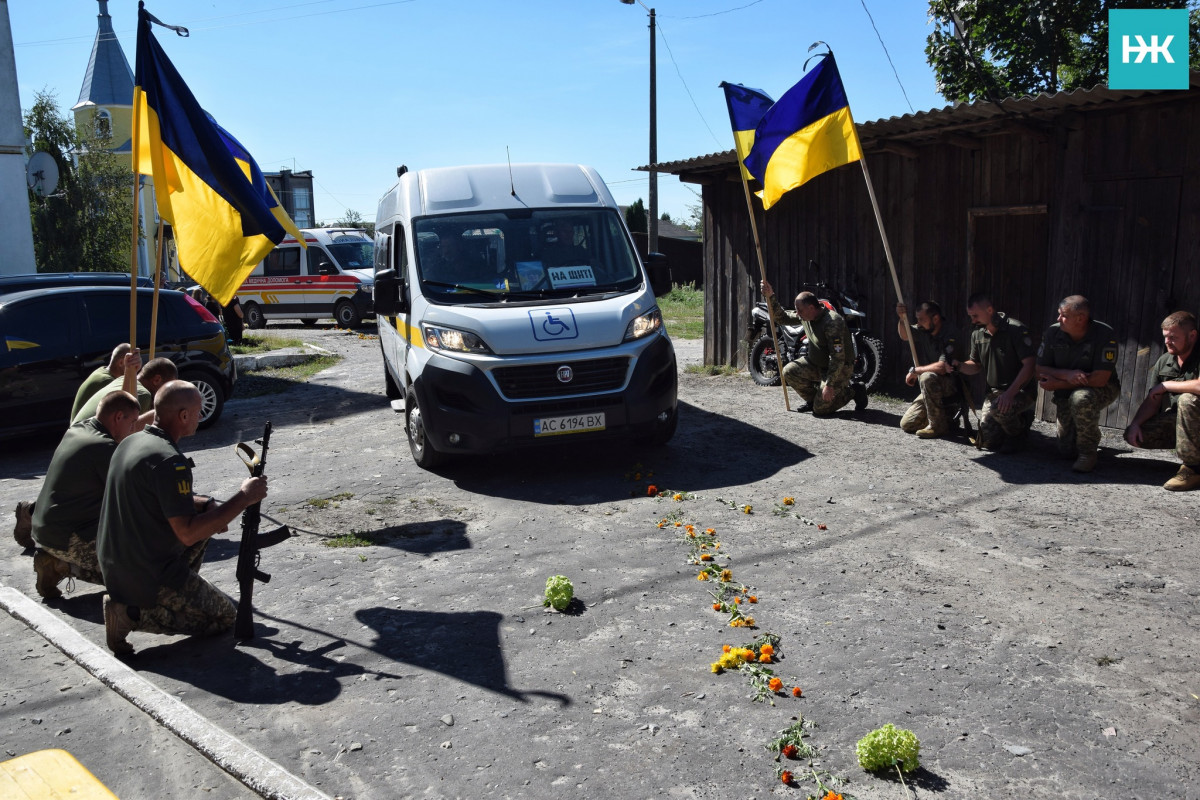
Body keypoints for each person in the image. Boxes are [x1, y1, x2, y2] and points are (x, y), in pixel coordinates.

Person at [96, 381, 268, 655]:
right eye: (198, 411)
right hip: (145, 573)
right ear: (183, 416)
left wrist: (206, 504)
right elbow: (187, 533)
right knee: (225, 617)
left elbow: (155, 497)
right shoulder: (170, 462)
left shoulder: (133, 440)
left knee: (204, 522)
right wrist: (244, 497)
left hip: (114, 563)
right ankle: (133, 615)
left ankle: (173, 594)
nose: (201, 417)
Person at [29, 391, 141, 599]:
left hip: (44, 529)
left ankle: (55, 558)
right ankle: (61, 565)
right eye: (132, 422)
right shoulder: (104, 447)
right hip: (67, 536)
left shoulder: (79, 428)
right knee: (139, 572)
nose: (133, 429)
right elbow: (134, 495)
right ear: (118, 417)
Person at [1035, 296, 1120, 473]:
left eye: (1063, 316)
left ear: (1080, 318)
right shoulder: (1053, 333)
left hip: (1100, 388)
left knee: (1081, 398)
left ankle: (1088, 452)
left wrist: (1058, 383)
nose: (1058, 319)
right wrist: (1067, 375)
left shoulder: (1104, 335)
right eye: (1059, 314)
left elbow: (1100, 379)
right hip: (1066, 391)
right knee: (1066, 450)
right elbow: (1039, 369)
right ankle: (1079, 438)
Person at [760, 278, 867, 415]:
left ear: (811, 308)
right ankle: (814, 400)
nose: (797, 314)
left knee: (821, 410)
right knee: (788, 371)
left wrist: (828, 384)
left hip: (839, 367)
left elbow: (838, 358)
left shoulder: (832, 322)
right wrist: (770, 296)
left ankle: (853, 391)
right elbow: (782, 318)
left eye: (800, 310)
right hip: (817, 363)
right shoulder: (805, 315)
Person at [1124, 311, 1200, 491]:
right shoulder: (1165, 360)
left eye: (1173, 337)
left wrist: (1167, 385)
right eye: (1165, 337)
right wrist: (1135, 424)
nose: (1167, 342)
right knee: (1137, 434)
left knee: (1188, 400)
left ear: (1192, 335)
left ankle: (1193, 469)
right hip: (1185, 422)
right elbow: (1153, 400)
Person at [957, 293, 1037, 451]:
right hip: (994, 393)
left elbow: (1029, 365)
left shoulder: (1015, 330)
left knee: (998, 409)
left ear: (989, 310)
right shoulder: (977, 334)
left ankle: (1019, 433)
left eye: (975, 316)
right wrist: (957, 366)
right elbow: (975, 365)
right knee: (988, 441)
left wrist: (1010, 394)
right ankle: (1008, 426)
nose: (972, 320)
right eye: (970, 316)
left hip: (1020, 391)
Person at [896, 300, 963, 439]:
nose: (918, 323)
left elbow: (943, 367)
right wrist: (902, 318)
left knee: (926, 377)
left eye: (921, 319)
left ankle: (937, 426)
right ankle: (947, 419)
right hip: (932, 386)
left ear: (936, 318)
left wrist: (916, 371)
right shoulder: (924, 329)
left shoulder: (951, 334)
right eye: (917, 320)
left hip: (951, 384)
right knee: (907, 424)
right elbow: (905, 335)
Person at [71, 357, 177, 428]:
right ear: (157, 380)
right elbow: (131, 434)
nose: (167, 393)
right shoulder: (143, 395)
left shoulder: (121, 379)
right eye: (167, 387)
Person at [69, 343, 138, 421]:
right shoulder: (107, 382)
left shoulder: (101, 371)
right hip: (84, 428)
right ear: (121, 363)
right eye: (132, 363)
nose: (135, 367)